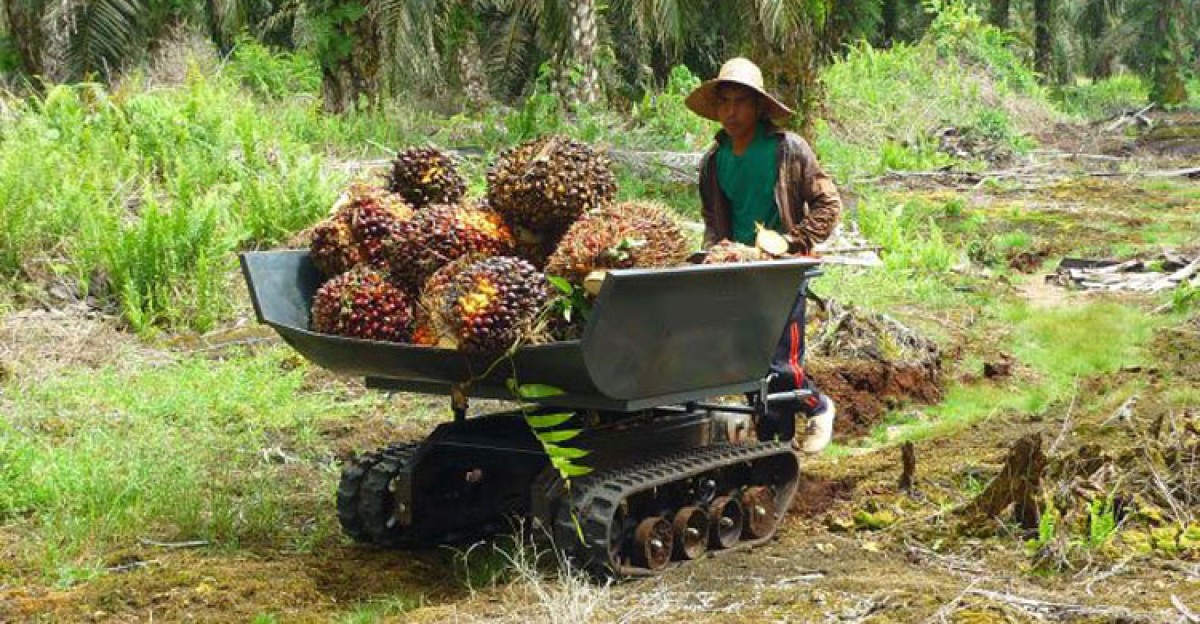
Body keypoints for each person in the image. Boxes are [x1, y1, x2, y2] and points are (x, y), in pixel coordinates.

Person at [685, 57, 840, 453]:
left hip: (782, 274)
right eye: (724, 103)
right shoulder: (714, 161)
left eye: (740, 102)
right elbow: (714, 221)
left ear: (758, 106)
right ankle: (775, 450)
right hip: (738, 269)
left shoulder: (787, 150)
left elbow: (828, 204)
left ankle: (820, 407)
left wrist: (794, 241)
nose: (731, 112)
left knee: (780, 365)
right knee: (748, 365)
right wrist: (715, 252)